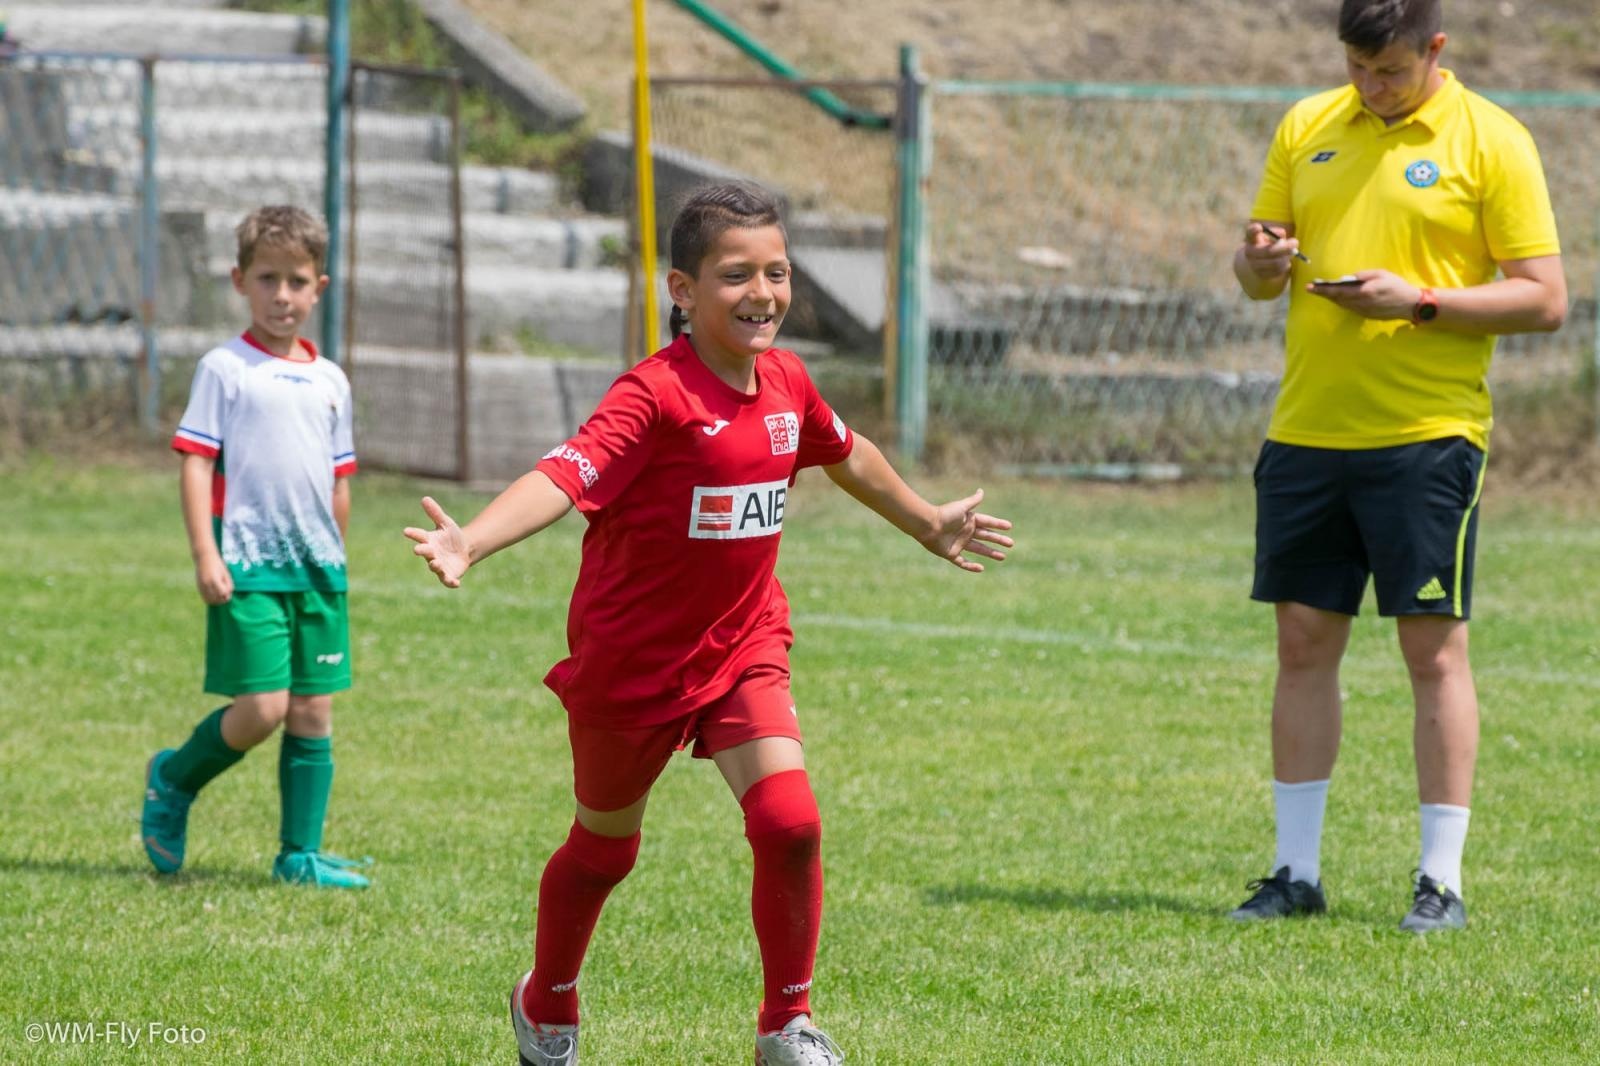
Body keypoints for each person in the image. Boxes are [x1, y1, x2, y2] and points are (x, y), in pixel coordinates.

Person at [406, 181, 1014, 1064]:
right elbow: (564, 474)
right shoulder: (651, 396)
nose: (763, 293)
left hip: (744, 646)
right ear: (683, 291)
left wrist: (925, 520)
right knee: (605, 850)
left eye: (777, 271)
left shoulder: (789, 383)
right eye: (737, 275)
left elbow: (846, 453)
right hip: (631, 665)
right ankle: (546, 998)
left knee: (791, 821)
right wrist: (475, 540)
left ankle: (786, 1026)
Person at [1228, 0, 1565, 932]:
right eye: (1357, 67)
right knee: (1301, 642)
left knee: (1432, 648)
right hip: (1306, 432)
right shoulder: (1307, 124)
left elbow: (1545, 299)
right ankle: (1295, 872)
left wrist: (1415, 301)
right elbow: (1256, 276)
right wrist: (1262, 261)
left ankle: (1441, 881)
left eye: (1390, 70)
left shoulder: (1493, 140)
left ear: (1435, 51)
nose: (1370, 86)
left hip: (1428, 434)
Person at [141, 205, 370, 890]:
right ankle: (173, 778)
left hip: (316, 570)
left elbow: (339, 479)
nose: (282, 295)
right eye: (267, 279)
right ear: (240, 281)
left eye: (297, 281)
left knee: (312, 708)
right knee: (264, 708)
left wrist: (338, 555)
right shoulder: (225, 369)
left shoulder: (331, 380)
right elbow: (195, 463)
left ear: (319, 288)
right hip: (246, 562)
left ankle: (298, 855)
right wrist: (205, 556)